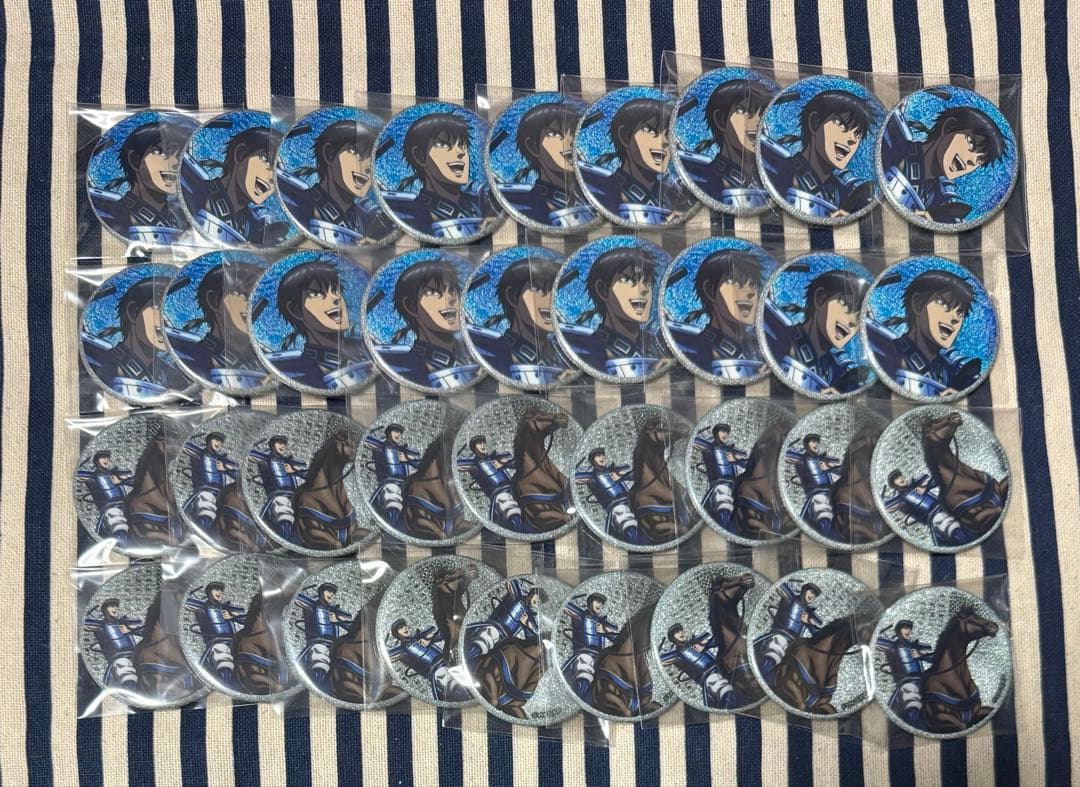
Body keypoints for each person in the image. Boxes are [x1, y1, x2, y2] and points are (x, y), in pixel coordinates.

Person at [880, 101, 1006, 224]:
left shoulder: (939, 199)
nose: (971, 161)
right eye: (971, 143)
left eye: (979, 160)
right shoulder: (893, 143)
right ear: (948, 127)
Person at [864, 269, 981, 398]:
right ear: (918, 304)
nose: (955, 318)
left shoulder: (948, 370)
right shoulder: (887, 355)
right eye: (943, 303)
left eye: (960, 312)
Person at [277, 119, 396, 245]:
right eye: (355, 152)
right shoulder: (298, 204)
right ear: (329, 154)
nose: (366, 167)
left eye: (372, 158)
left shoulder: (367, 219)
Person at [379, 112, 495, 240]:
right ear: (420, 156)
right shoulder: (415, 214)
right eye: (444, 145)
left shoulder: (478, 204)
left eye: (462, 145)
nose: (460, 152)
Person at [759, 90, 875, 219]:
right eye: (841, 124)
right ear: (814, 123)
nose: (852, 139)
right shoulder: (776, 173)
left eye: (857, 133)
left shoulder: (844, 193)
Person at [577, 97, 693, 225]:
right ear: (625, 137)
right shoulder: (605, 191)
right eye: (650, 130)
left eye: (668, 134)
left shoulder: (671, 194)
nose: (665, 141)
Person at [264, 258, 373, 391]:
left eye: (336, 290)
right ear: (295, 310)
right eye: (317, 293)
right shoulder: (298, 372)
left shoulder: (366, 350)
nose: (335, 298)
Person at [558, 246, 665, 379]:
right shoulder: (588, 350)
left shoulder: (656, 344)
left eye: (647, 282)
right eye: (629, 280)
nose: (643, 289)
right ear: (603, 290)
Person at [82, 274, 192, 400]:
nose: (165, 321)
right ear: (132, 313)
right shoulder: (104, 365)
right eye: (157, 307)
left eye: (166, 308)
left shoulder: (171, 372)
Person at [374, 257, 479, 390]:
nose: (450, 299)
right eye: (433, 292)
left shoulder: (472, 355)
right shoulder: (409, 369)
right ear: (411, 306)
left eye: (452, 291)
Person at [467, 256, 572, 386]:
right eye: (538, 289)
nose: (551, 300)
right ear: (512, 296)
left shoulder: (561, 354)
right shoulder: (494, 355)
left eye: (555, 291)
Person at [762, 268, 870, 395]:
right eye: (845, 304)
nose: (852, 321)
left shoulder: (840, 368)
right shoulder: (779, 341)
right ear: (820, 299)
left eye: (859, 317)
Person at [164, 261, 267, 391]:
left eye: (255, 294)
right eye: (239, 293)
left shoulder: (263, 360)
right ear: (213, 300)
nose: (251, 302)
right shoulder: (193, 358)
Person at [180, 125, 290, 246]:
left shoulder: (252, 225)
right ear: (240, 154)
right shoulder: (196, 193)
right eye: (267, 160)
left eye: (278, 173)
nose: (272, 177)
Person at [666, 249, 765, 380]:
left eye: (753, 285)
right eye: (736, 282)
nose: (750, 292)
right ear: (710, 291)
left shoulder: (760, 349)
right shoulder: (694, 352)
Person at [494, 101, 595, 229]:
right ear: (533, 147)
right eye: (555, 134)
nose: (570, 141)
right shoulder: (528, 207)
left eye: (573, 133)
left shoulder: (590, 198)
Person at [676, 79, 774, 211]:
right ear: (721, 120)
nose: (758, 122)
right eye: (745, 111)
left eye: (762, 114)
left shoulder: (771, 179)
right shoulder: (704, 180)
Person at [89, 120, 191, 244]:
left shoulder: (179, 218)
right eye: (160, 152)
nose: (175, 163)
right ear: (134, 160)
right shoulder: (114, 215)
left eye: (180, 155)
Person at [754, 581, 822, 681]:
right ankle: (756, 677)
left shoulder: (810, 614)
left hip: (793, 644)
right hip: (780, 636)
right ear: (804, 590)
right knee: (776, 652)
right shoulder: (790, 598)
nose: (812, 595)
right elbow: (778, 583)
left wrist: (808, 622)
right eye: (811, 592)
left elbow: (818, 634)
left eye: (814, 595)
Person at [386, 618, 467, 702]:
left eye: (404, 626)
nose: (404, 628)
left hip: (448, 663)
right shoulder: (402, 650)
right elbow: (387, 656)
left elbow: (437, 631)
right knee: (449, 683)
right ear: (396, 634)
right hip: (437, 672)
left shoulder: (420, 637)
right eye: (400, 628)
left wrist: (428, 639)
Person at [465, 579, 547, 661]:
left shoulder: (530, 615)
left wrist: (525, 624)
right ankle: (467, 656)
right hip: (496, 628)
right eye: (537, 598)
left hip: (505, 640)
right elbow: (510, 581)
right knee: (487, 639)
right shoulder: (517, 596)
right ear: (532, 593)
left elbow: (533, 636)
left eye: (539, 602)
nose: (537, 602)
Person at [456, 435, 524, 532]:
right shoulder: (473, 464)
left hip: (514, 488)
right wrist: (453, 458)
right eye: (479, 443)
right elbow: (455, 465)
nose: (483, 445)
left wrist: (502, 464)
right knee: (509, 506)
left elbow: (519, 462)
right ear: (474, 448)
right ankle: (519, 531)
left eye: (483, 442)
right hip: (499, 494)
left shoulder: (496, 458)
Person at [883, 470, 968, 547]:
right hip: (933, 517)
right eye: (896, 479)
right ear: (894, 484)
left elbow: (937, 479)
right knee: (949, 525)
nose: (900, 479)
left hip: (943, 507)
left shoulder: (915, 484)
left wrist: (925, 487)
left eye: (900, 476)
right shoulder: (900, 499)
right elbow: (887, 508)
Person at [184, 582, 247, 685]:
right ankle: (226, 686)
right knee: (222, 656)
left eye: (221, 590)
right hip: (216, 644)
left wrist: (232, 617)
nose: (219, 592)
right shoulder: (202, 607)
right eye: (216, 589)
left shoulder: (227, 608)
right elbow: (185, 602)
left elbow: (248, 619)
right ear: (209, 592)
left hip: (234, 643)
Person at [659, 624, 734, 709]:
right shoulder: (676, 654)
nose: (680, 633)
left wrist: (704, 646)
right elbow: (661, 662)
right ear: (672, 638)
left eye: (681, 630)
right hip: (708, 677)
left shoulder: (695, 642)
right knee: (723, 691)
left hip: (720, 669)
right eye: (677, 632)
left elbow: (717, 641)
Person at [574, 448, 641, 543]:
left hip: (631, 501)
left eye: (602, 455)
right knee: (627, 521)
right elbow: (574, 477)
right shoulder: (591, 476)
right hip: (617, 507)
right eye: (598, 456)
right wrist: (575, 469)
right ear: (592, 460)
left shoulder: (613, 470)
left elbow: (637, 474)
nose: (601, 457)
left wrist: (621, 476)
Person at [248, 435, 307, 541]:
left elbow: (308, 474)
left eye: (284, 443)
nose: (282, 446)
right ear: (272, 445)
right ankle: (286, 541)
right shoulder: (266, 459)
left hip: (295, 498)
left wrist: (294, 470)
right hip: (277, 497)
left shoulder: (289, 462)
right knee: (284, 511)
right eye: (279, 443)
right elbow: (250, 454)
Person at [561, 593, 620, 699]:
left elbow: (619, 638)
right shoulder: (580, 616)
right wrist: (568, 598)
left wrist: (604, 632)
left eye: (602, 603)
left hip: (599, 658)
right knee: (585, 670)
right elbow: (564, 605)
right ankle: (579, 699)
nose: (600, 605)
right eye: (597, 601)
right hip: (584, 654)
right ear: (590, 602)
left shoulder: (602, 623)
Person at [875, 619, 934, 725]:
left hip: (922, 681)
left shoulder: (917, 646)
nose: (909, 631)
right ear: (899, 630)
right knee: (911, 698)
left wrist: (921, 655)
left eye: (910, 629)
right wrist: (877, 631)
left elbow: (935, 657)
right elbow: (874, 640)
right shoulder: (892, 645)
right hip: (906, 683)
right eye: (905, 628)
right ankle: (915, 725)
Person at [785, 434, 843, 540]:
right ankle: (826, 540)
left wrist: (829, 467)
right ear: (806, 444)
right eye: (813, 442)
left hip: (832, 493)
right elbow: (786, 454)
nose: (816, 444)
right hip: (817, 494)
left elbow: (844, 468)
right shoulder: (801, 458)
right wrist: (787, 444)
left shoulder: (825, 459)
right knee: (823, 511)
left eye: (816, 442)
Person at [294, 583, 353, 685]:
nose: (331, 594)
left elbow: (352, 627)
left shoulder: (335, 611)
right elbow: (295, 597)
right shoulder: (312, 606)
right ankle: (318, 686)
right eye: (328, 591)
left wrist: (338, 620)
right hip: (317, 644)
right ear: (321, 592)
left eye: (333, 592)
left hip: (334, 647)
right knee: (320, 659)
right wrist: (298, 588)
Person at [364, 423, 421, 527]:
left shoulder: (404, 450)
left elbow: (422, 464)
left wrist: (407, 459)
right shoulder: (380, 447)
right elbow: (365, 439)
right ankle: (393, 528)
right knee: (392, 496)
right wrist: (370, 430)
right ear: (388, 433)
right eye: (395, 431)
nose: (398, 434)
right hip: (389, 484)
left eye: (400, 432)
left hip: (406, 485)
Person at [182, 432, 238, 534]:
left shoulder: (222, 460)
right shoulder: (198, 454)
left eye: (220, 441)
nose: (219, 443)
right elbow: (184, 446)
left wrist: (225, 469)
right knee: (206, 511)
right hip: (205, 492)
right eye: (216, 440)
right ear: (208, 440)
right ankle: (201, 535)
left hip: (221, 496)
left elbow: (238, 474)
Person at [692, 423, 748, 527]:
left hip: (735, 486)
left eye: (727, 433)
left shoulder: (731, 450)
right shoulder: (710, 447)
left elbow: (748, 462)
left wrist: (736, 459)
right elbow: (693, 441)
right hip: (720, 485)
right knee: (724, 503)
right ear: (715, 433)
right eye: (723, 431)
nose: (725, 434)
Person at [83, 598, 144, 690]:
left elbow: (146, 630)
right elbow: (83, 624)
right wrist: (88, 614)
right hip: (119, 658)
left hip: (135, 656)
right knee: (125, 671)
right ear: (104, 609)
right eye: (111, 606)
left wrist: (130, 629)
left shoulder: (124, 622)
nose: (115, 609)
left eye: (116, 606)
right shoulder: (100, 625)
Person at [75, 450, 134, 544]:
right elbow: (77, 474)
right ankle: (121, 544)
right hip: (111, 509)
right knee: (118, 524)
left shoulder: (115, 474)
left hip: (126, 506)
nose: (106, 460)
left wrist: (120, 480)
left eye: (107, 458)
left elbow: (135, 479)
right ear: (96, 461)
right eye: (103, 458)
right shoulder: (93, 476)